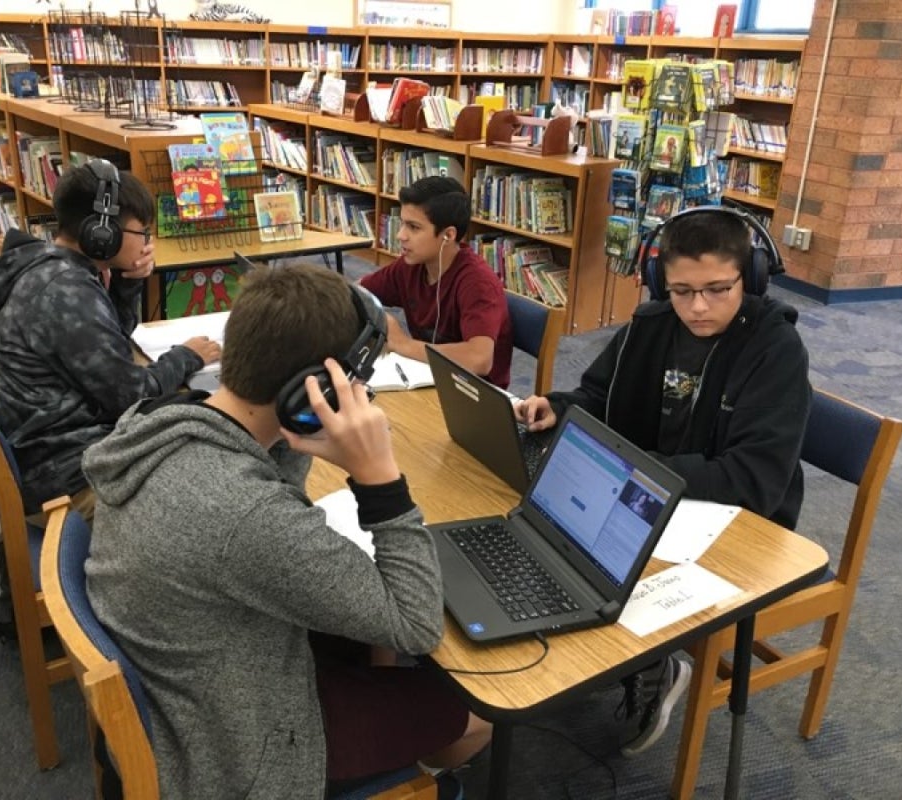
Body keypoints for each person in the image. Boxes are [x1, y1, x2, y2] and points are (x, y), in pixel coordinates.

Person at [81, 263, 491, 799]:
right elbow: (415, 623)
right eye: (353, 383)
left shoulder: (159, 419)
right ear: (313, 390)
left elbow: (270, 500)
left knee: (371, 640)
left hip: (193, 680)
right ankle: (406, 786)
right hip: (239, 744)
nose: (360, 395)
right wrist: (380, 480)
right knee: (474, 713)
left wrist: (300, 430)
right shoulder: (244, 513)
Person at [515, 208, 812, 757]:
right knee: (554, 529)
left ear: (750, 278)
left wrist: (637, 474)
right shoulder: (649, 326)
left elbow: (753, 478)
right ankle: (617, 656)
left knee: (600, 555)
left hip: (735, 518)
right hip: (643, 489)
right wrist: (558, 409)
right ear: (659, 283)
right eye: (681, 291)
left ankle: (656, 663)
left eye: (718, 289)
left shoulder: (776, 349)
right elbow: (597, 399)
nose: (698, 307)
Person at [0, 158, 220, 636]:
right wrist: (185, 356)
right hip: (68, 470)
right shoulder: (65, 289)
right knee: (209, 444)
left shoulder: (54, 268)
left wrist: (126, 285)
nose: (147, 243)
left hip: (48, 445)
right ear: (100, 231)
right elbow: (128, 394)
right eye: (141, 232)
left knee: (194, 417)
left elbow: (106, 342)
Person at [359, 175, 514, 389]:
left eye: (413, 227)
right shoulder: (411, 265)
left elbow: (479, 359)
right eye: (403, 224)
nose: (400, 235)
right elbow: (357, 292)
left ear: (448, 235)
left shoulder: (478, 283)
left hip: (472, 392)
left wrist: (403, 344)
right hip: (424, 376)